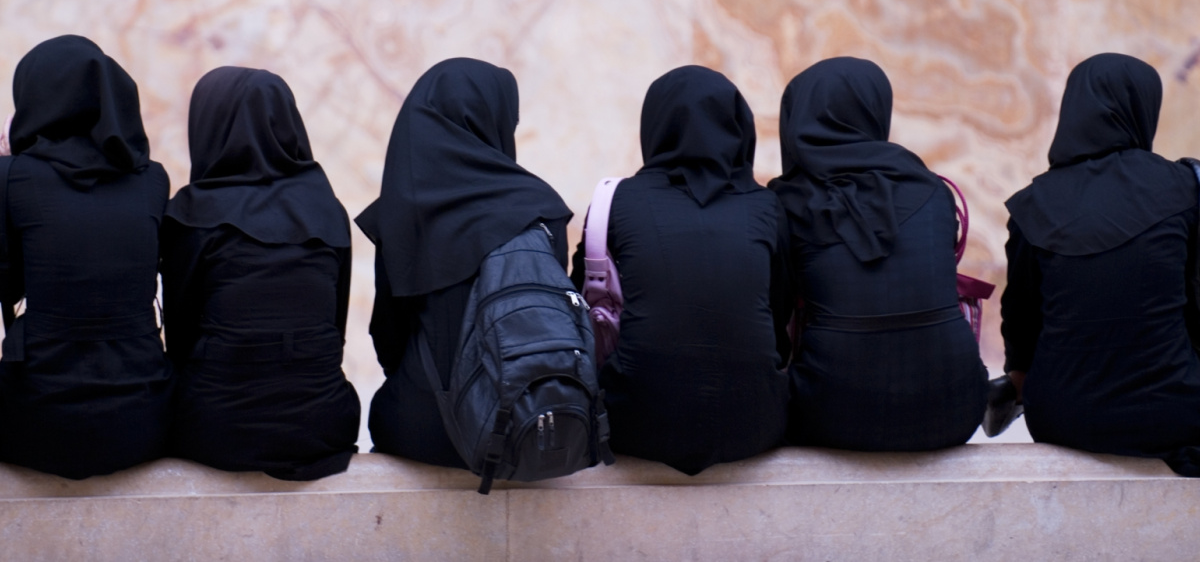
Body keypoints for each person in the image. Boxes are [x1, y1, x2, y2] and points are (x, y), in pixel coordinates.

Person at [572, 65, 790, 475]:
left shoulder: (617, 202)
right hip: (754, 425)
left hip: (632, 422)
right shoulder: (767, 207)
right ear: (738, 127)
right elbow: (778, 320)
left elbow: (578, 303)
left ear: (656, 125)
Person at [358, 58, 573, 466]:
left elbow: (388, 334)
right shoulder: (541, 210)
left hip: (420, 426)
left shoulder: (400, 211)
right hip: (523, 425)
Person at [771, 57, 986, 450]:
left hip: (830, 416)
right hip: (956, 409)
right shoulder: (934, 191)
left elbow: (773, 319)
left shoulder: (787, 203)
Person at [1001, 53, 1200, 474]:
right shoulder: (1186, 188)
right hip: (1172, 414)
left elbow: (1020, 321)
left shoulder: (1032, 204)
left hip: (1060, 418)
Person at [160, 67, 360, 480]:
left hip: (216, 430)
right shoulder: (328, 210)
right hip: (322, 427)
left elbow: (180, 339)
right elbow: (334, 329)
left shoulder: (191, 214)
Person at [0, 35, 173, 479]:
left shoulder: (12, 176)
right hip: (142, 418)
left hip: (35, 421)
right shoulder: (153, 180)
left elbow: (8, 284)